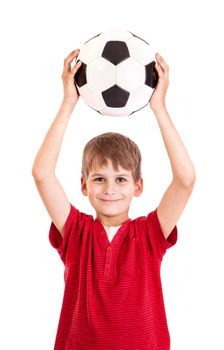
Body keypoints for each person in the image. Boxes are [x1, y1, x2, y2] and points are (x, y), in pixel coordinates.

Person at [32, 49, 196, 350]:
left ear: (138, 185)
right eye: (99, 179)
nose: (110, 189)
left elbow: (185, 180)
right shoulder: (76, 233)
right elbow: (42, 174)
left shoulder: (150, 234)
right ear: (84, 186)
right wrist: (69, 103)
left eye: (121, 179)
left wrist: (159, 107)